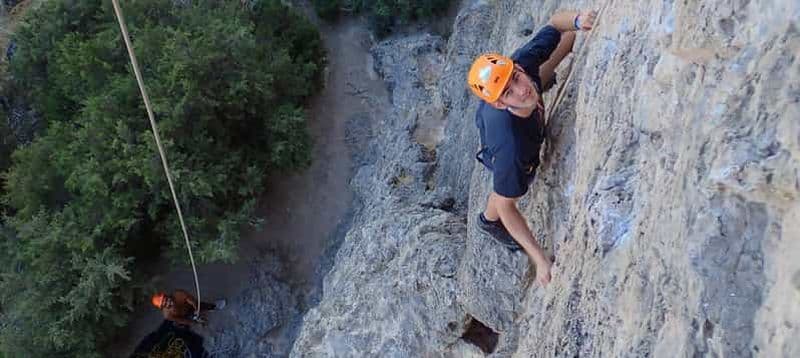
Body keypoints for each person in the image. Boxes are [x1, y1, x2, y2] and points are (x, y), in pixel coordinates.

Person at [467, 9, 597, 287]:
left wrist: (578, 20)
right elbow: (507, 206)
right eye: (508, 92)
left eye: (515, 78)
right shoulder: (512, 147)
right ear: (500, 103)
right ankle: (488, 222)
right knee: (507, 190)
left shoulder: (521, 65)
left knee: (570, 38)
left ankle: (536, 83)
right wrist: (540, 259)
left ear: (517, 69)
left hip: (511, 109)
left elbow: (556, 24)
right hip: (501, 138)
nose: (520, 89)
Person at [151, 289, 226, 327]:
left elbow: (191, 300)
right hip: (184, 315)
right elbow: (181, 320)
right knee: (197, 321)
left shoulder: (178, 294)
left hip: (190, 306)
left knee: (202, 305)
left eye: (166, 299)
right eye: (165, 304)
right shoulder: (167, 315)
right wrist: (194, 322)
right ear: (162, 307)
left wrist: (196, 308)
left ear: (167, 296)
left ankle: (214, 306)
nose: (168, 302)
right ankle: (201, 321)